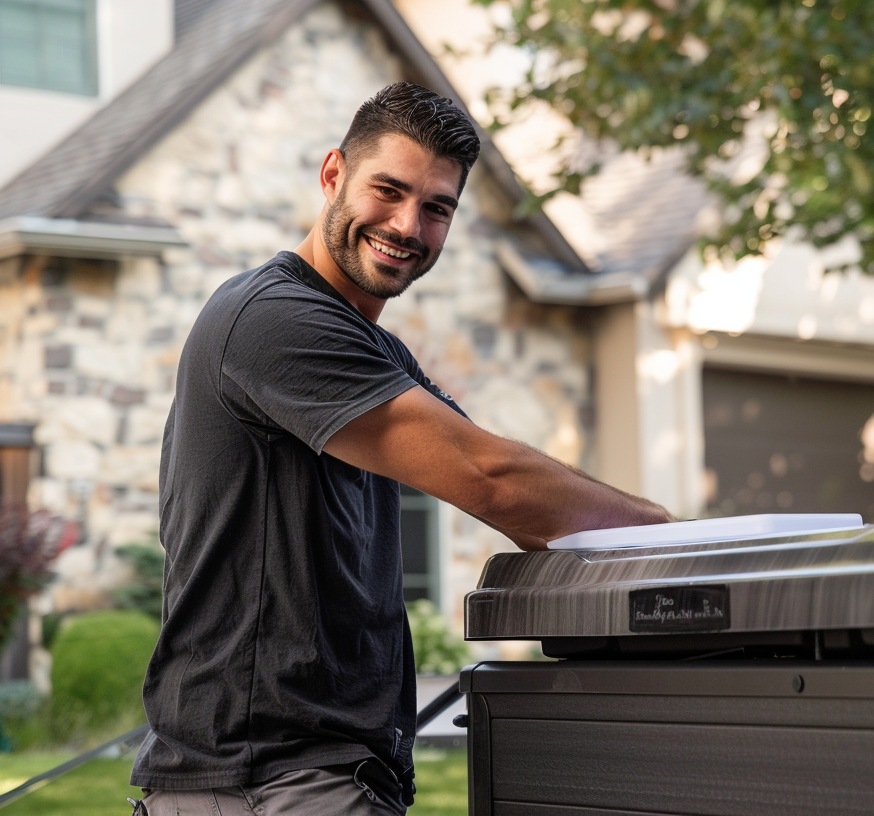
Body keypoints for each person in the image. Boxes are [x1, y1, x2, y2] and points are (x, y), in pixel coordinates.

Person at [129, 82, 671, 816]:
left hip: (301, 770)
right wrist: (676, 541)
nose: (407, 224)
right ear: (332, 176)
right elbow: (492, 479)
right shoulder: (275, 321)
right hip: (269, 779)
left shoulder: (371, 352)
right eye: (388, 190)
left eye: (437, 207)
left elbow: (512, 491)